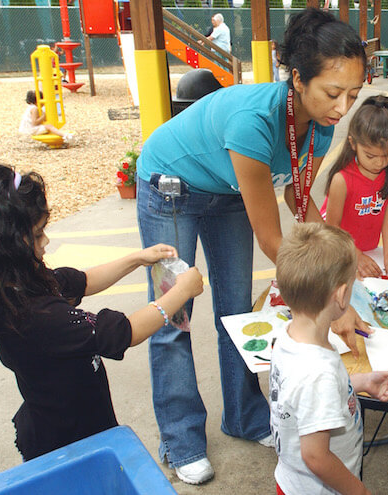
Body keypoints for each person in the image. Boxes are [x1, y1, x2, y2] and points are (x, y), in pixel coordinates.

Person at [136, 8, 368, 485]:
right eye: (332, 92)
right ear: (297, 79)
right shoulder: (253, 122)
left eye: (353, 93)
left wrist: (337, 261)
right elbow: (273, 240)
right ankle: (181, 439)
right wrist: (328, 299)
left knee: (237, 312)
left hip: (226, 192)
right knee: (172, 314)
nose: (343, 108)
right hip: (169, 185)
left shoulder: (320, 124)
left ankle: (244, 417)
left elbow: (298, 199)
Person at [0, 163, 204, 462]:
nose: (45, 241)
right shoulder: (36, 317)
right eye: (36, 235)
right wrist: (182, 291)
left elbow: (82, 281)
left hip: (72, 423)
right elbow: (127, 332)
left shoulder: (16, 285)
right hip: (67, 444)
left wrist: (137, 259)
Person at [269, 222, 388, 495]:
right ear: (341, 295)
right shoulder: (318, 371)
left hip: (293, 481)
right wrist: (358, 491)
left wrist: (361, 382)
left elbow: (305, 399)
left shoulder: (290, 337)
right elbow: (316, 457)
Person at [322, 95, 388, 278]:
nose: (379, 163)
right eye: (370, 156)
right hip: (339, 251)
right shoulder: (342, 180)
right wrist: (356, 255)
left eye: (387, 155)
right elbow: (332, 228)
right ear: (353, 143)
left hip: (371, 252)